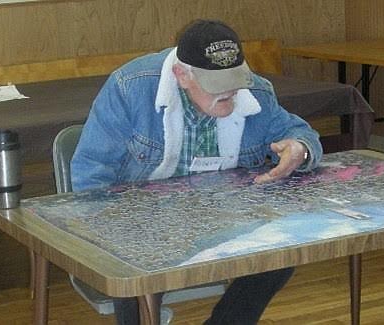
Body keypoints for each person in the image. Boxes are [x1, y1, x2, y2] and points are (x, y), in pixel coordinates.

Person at [71, 19, 323, 324]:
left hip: (224, 214)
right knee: (132, 270)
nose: (230, 91)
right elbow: (91, 171)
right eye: (217, 85)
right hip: (142, 220)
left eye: (234, 80)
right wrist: (112, 238)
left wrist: (300, 147)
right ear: (181, 75)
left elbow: (299, 132)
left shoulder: (255, 92)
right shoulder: (130, 88)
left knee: (284, 247)